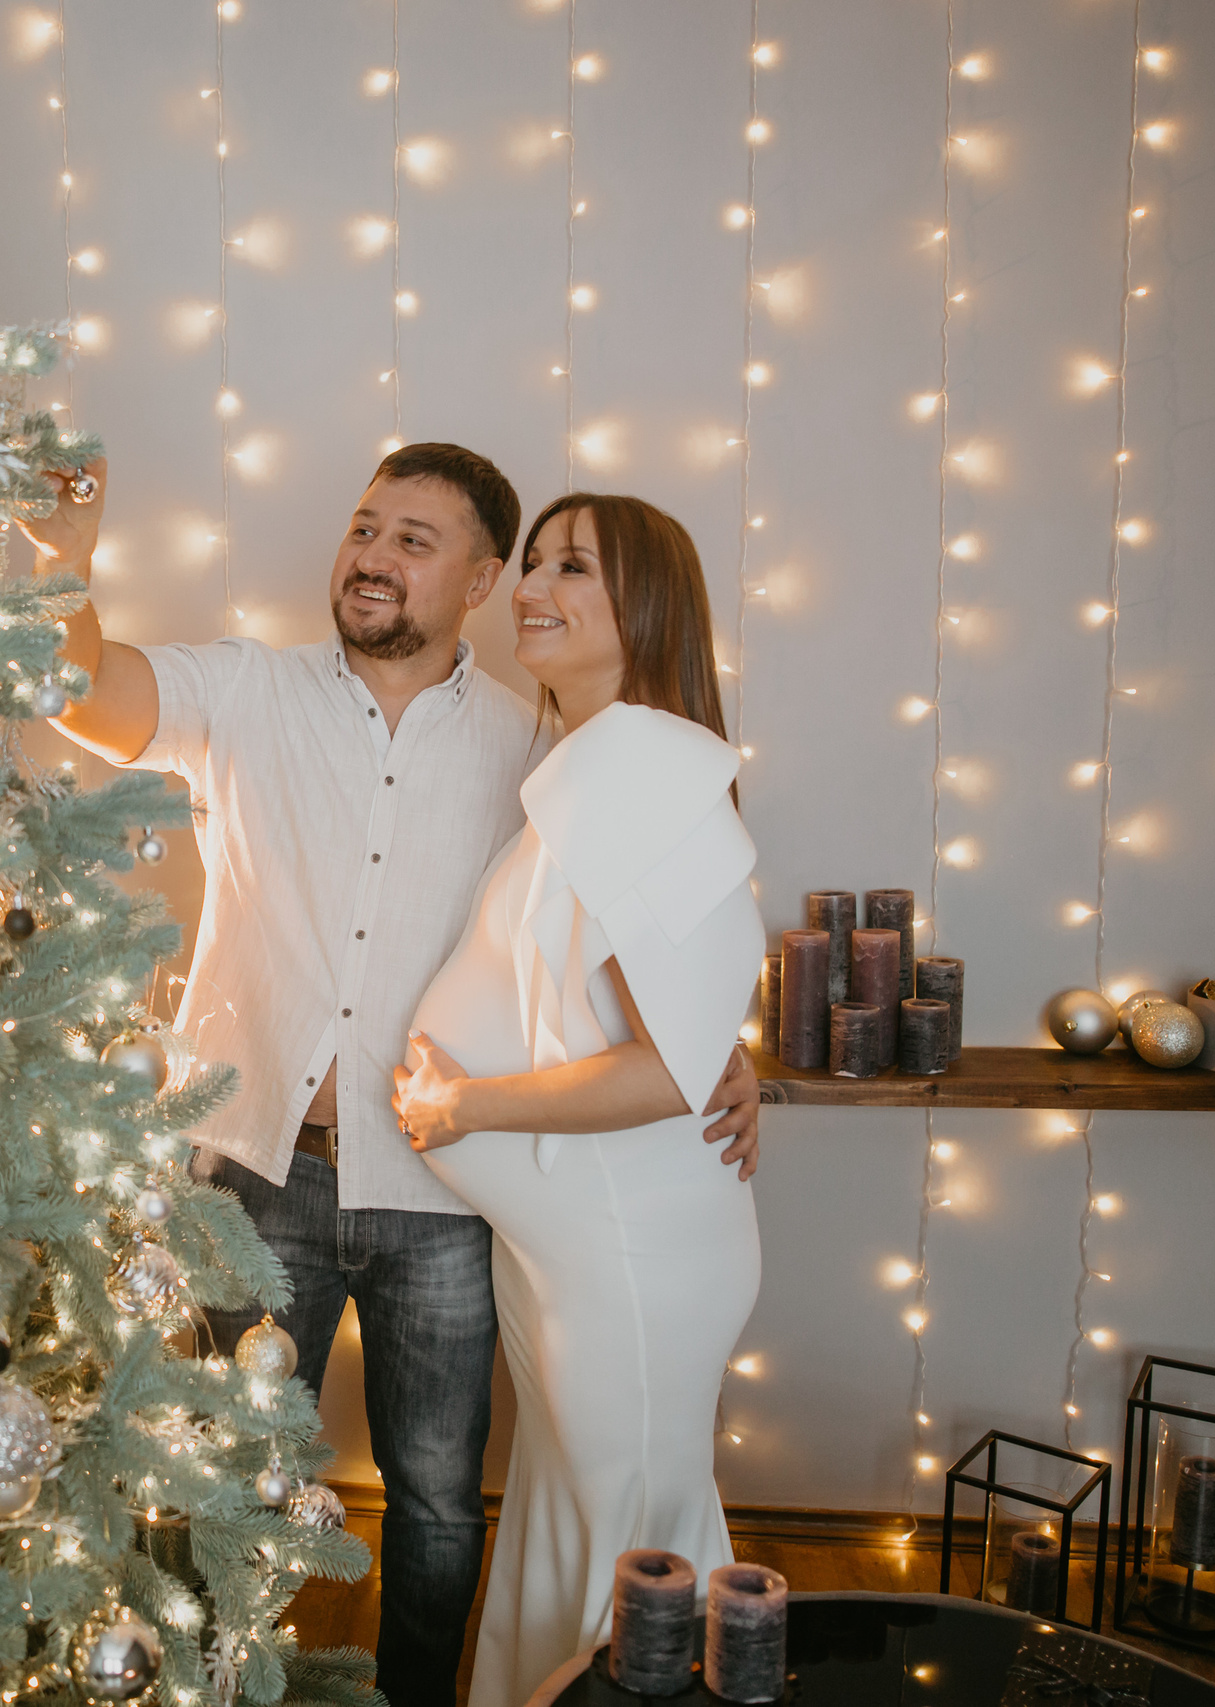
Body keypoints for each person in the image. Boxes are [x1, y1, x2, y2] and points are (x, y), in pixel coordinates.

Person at [19, 450, 760, 1707]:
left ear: (479, 581)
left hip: (448, 1199)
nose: (372, 552)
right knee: (218, 1486)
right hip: (263, 1174)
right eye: (365, 526)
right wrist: (61, 547)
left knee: (432, 1511)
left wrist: (714, 1044)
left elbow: (625, 918)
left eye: (416, 539)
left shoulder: (547, 744)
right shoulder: (249, 691)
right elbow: (77, 690)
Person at [391, 492, 765, 1707]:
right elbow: (665, 1017)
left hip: (632, 1258)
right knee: (577, 1539)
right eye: (534, 563)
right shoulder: (592, 765)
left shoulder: (647, 770)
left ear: (644, 605)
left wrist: (468, 1109)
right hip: (570, 1253)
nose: (534, 590)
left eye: (575, 569)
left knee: (628, 1567)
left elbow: (668, 1066)